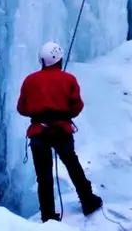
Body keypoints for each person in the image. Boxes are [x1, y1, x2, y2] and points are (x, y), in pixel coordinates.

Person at [17, 41, 102, 222]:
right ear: (59, 59)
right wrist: (64, 115)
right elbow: (77, 106)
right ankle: (87, 201)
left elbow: (22, 108)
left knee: (43, 176)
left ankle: (48, 215)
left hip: (38, 132)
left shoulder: (30, 80)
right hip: (61, 131)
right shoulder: (68, 79)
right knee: (73, 165)